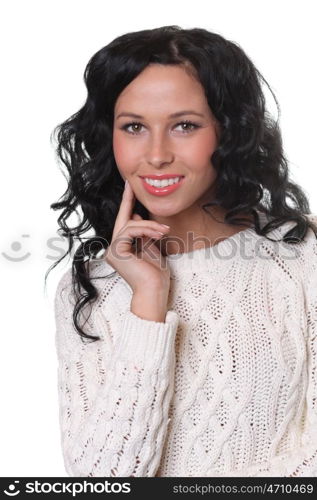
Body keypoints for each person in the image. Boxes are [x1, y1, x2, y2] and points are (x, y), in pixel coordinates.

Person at [48, 25, 317, 477]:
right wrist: (147, 303)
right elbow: (101, 482)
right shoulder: (91, 289)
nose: (155, 155)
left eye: (185, 126)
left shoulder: (302, 258)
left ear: (229, 131)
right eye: (133, 127)